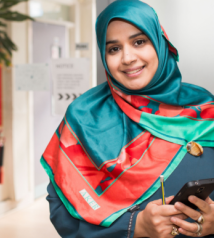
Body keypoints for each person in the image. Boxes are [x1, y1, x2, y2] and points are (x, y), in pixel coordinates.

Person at [40, 1, 214, 237]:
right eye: (113, 49)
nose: (128, 58)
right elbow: (62, 207)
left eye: (139, 42)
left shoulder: (204, 107)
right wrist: (135, 226)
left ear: (160, 43)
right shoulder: (84, 116)